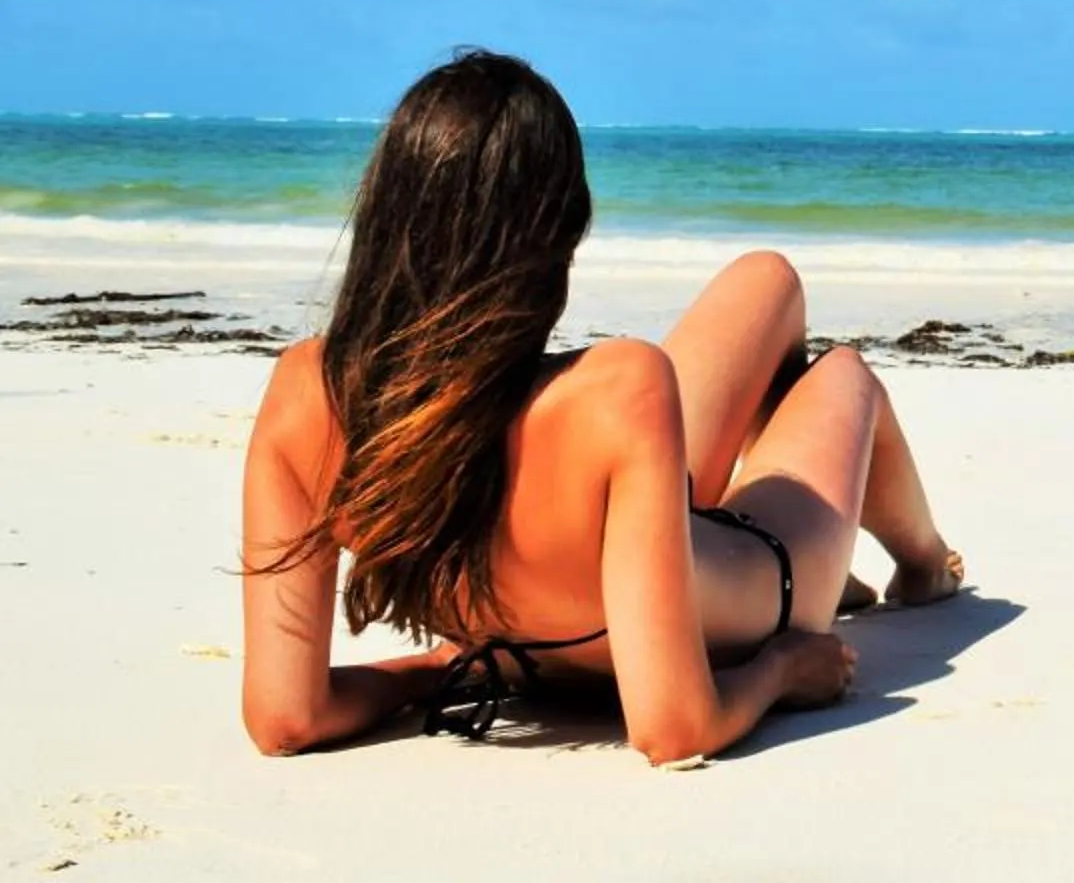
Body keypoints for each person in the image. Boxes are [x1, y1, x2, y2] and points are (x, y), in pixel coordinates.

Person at [239, 50, 965, 761]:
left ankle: (762, 550)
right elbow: (673, 729)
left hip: (529, 629)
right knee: (844, 375)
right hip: (756, 590)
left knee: (766, 280)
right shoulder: (619, 385)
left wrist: (435, 671)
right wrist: (780, 670)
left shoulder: (308, 390)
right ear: (558, 232)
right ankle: (924, 566)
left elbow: (286, 716)